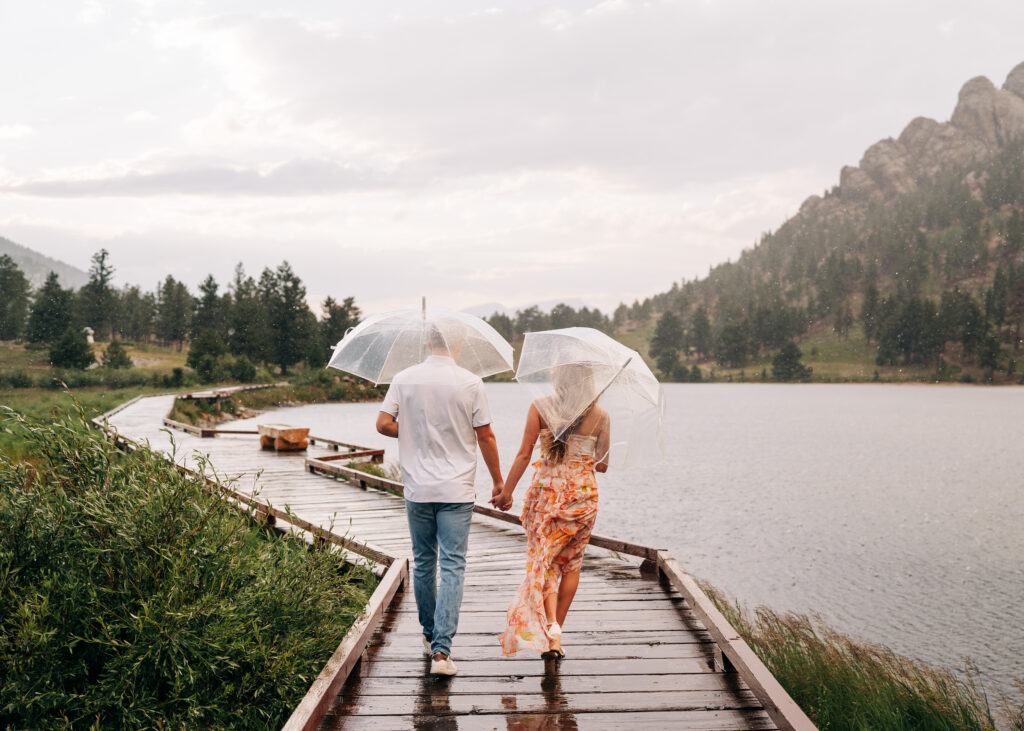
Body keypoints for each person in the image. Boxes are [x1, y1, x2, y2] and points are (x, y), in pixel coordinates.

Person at [376, 328, 504, 676]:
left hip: (417, 487)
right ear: (458, 343)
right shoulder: (471, 382)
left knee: (423, 563)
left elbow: (383, 424)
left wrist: (413, 430)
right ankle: (442, 653)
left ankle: (430, 634)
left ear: (427, 343)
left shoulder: (404, 378)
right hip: (456, 490)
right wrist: (498, 482)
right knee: (452, 566)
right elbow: (486, 435)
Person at [493, 365, 609, 658]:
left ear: (559, 378)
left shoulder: (540, 406)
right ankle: (556, 635)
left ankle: (551, 627)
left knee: (544, 562)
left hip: (546, 495)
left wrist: (506, 492)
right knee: (571, 564)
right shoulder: (601, 416)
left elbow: (524, 454)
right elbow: (603, 464)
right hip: (582, 499)